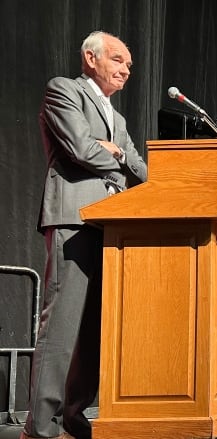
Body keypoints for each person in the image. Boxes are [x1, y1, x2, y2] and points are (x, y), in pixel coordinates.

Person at [24, 31, 147, 439]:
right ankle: (40, 428)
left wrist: (118, 151)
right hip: (74, 218)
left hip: (112, 227)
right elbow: (79, 147)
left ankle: (73, 419)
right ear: (91, 58)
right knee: (60, 327)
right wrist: (112, 155)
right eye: (117, 60)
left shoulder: (120, 119)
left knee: (95, 331)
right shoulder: (64, 90)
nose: (125, 70)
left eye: (129, 65)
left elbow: (140, 170)